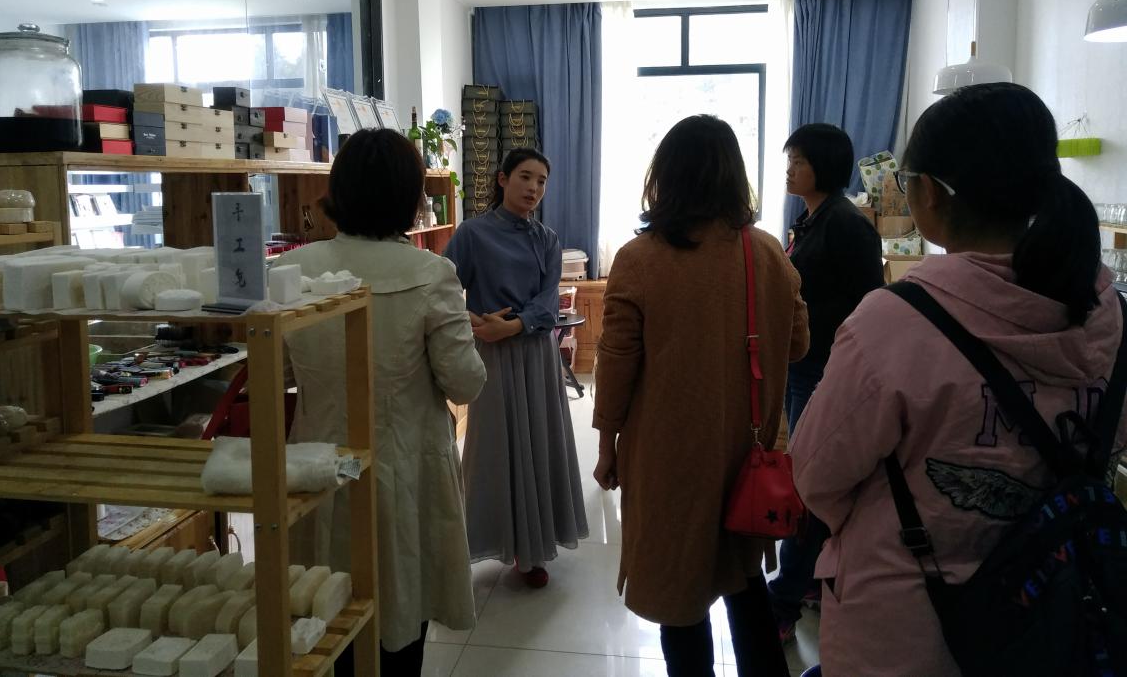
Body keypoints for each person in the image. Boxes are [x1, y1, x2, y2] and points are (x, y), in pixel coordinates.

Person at [791, 83, 1127, 676]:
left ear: (928, 192)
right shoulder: (1112, 317)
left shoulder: (896, 322)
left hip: (908, 627)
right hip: (1064, 617)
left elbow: (816, 473)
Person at [593, 115, 809, 677]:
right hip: (747, 450)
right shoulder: (767, 252)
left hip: (669, 456)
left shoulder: (639, 259)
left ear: (664, 175)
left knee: (678, 589)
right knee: (743, 579)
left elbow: (615, 367)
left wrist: (607, 446)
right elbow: (798, 344)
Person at [276, 129, 487, 676]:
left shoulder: (292, 269)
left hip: (319, 468)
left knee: (323, 616)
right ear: (411, 197)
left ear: (338, 191)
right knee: (400, 618)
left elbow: (278, 373)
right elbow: (465, 383)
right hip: (405, 469)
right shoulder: (430, 273)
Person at [443, 147, 588, 587]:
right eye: (525, 176)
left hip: (536, 352)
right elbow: (442, 288)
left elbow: (548, 299)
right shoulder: (471, 233)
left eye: (542, 181)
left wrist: (515, 325)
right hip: (490, 353)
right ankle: (491, 538)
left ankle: (534, 550)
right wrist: (473, 321)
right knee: (494, 446)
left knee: (540, 442)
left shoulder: (547, 238)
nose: (534, 188)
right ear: (503, 179)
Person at [769, 123, 883, 642]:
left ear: (826, 166)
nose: (789, 169)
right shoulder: (810, 219)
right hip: (802, 362)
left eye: (799, 161)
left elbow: (867, 306)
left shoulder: (847, 224)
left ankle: (785, 597)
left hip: (825, 367)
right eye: (789, 159)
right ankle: (811, 579)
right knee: (804, 473)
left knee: (807, 480)